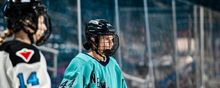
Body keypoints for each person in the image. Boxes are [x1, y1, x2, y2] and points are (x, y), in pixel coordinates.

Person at [59, 19, 127, 88]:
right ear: (93, 39)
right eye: (106, 39)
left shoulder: (113, 64)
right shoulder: (81, 63)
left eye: (112, 39)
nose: (111, 43)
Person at [0, 0, 52, 87]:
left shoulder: (3, 50)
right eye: (41, 22)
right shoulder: (28, 54)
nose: (44, 27)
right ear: (27, 21)